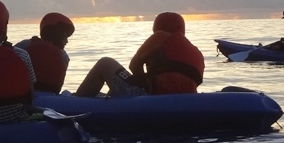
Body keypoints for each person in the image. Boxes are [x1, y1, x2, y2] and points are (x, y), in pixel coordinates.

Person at [74, 12, 205, 97]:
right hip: (184, 101)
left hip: (152, 98)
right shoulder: (197, 52)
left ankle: (76, 102)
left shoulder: (160, 36)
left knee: (105, 63)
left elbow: (134, 65)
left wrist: (140, 82)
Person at [14, 12, 74, 94]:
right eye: (65, 37)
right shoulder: (63, 56)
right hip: (50, 99)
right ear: (57, 35)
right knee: (67, 93)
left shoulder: (25, 45)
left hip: (25, 96)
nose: (66, 41)